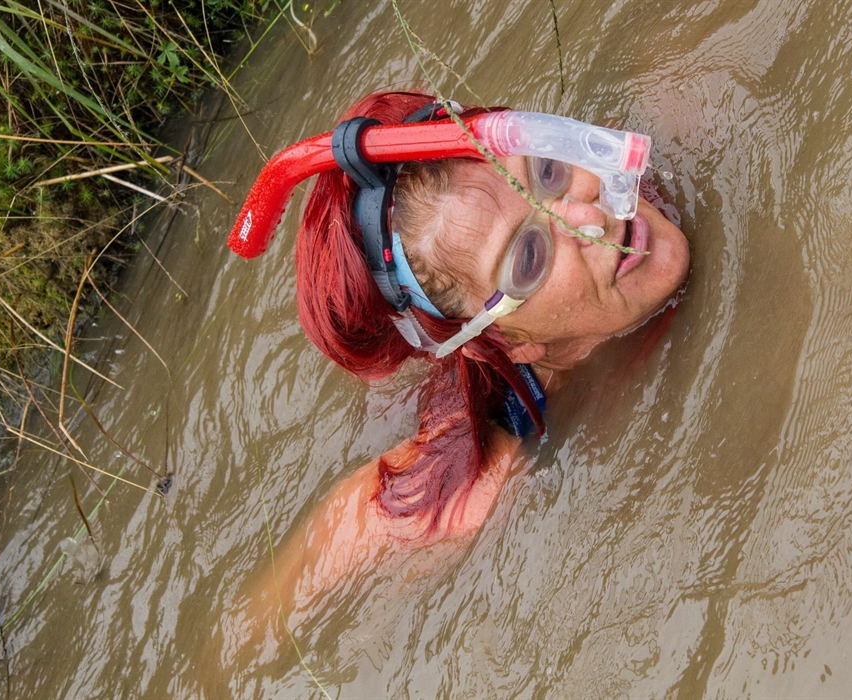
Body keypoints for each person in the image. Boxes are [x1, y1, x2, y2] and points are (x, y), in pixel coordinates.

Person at [227, 90, 690, 651]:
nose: (590, 214)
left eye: (547, 172)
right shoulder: (472, 496)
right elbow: (250, 635)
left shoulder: (676, 128)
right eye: (529, 258)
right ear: (508, 342)